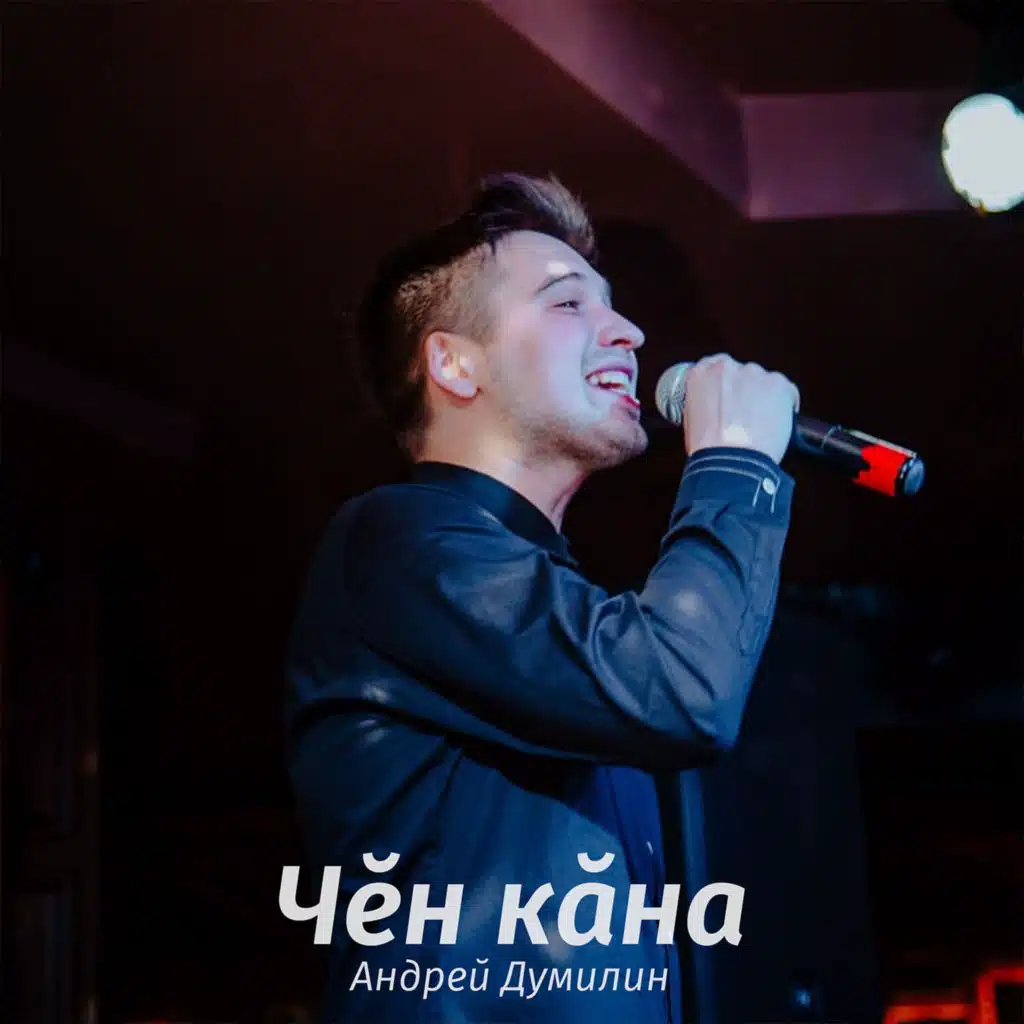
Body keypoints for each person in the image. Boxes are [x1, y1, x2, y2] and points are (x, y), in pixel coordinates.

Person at [285, 173, 800, 1023]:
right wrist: (735, 467)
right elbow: (682, 690)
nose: (628, 332)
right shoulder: (395, 542)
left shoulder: (556, 600)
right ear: (454, 363)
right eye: (567, 304)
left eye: (613, 306)